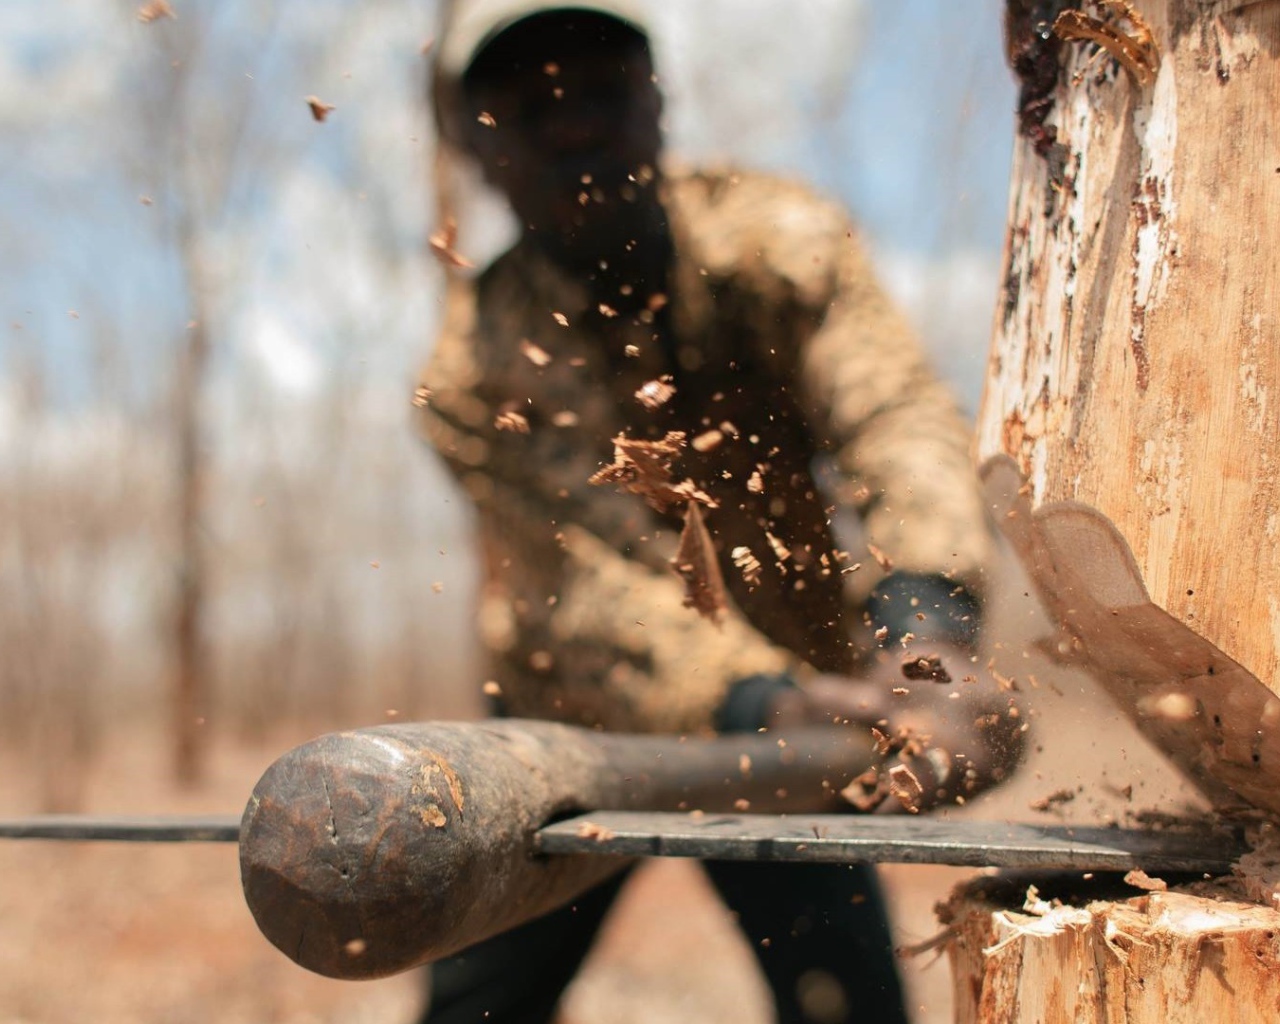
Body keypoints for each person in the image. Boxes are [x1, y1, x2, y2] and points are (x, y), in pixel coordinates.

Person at [416, 4, 1024, 1022]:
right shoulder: (471, 373)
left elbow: (892, 420)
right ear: (478, 148)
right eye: (529, 108)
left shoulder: (777, 244)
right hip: (568, 732)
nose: (571, 126)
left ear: (656, 103)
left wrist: (926, 636)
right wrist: (770, 704)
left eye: (601, 90)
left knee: (845, 1001)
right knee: (477, 1010)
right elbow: (590, 587)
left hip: (805, 719)